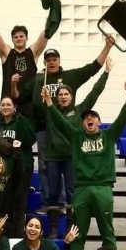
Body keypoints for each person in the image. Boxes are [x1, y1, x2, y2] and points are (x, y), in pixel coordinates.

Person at [16, 36, 114, 210]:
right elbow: (19, 98)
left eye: (54, 59)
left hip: (69, 139)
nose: (52, 62)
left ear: (59, 61)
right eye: (48, 60)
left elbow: (92, 69)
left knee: (69, 180)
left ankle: (69, 207)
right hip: (44, 130)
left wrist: (107, 48)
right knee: (46, 170)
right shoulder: (38, 80)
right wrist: (13, 84)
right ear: (45, 63)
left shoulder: (70, 78)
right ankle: (49, 204)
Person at [42, 83, 126, 250]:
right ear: (82, 123)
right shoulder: (76, 136)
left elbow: (123, 119)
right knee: (77, 232)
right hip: (81, 189)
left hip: (103, 188)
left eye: (93, 117)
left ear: (99, 122)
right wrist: (50, 104)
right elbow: (60, 123)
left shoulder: (108, 136)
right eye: (86, 118)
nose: (89, 119)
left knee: (107, 231)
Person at [44, 59, 112, 216]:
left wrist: (106, 73)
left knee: (70, 193)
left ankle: (71, 226)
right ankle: (53, 229)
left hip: (71, 157)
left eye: (66, 94)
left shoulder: (80, 110)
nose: (63, 96)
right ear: (56, 97)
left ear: (71, 96)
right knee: (52, 193)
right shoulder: (49, 109)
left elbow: (95, 92)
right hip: (53, 156)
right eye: (60, 94)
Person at [0, 96, 37, 234]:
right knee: (3, 205)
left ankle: (19, 236)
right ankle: (4, 233)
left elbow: (29, 140)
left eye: (9, 104)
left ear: (15, 107)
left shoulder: (22, 121)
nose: (5, 107)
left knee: (18, 204)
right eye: (3, 105)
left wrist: (19, 121)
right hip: (2, 172)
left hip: (20, 169)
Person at [0, 0, 51, 103]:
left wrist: (52, 11)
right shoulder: (6, 53)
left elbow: (47, 32)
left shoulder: (33, 53)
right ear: (12, 39)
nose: (19, 39)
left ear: (26, 38)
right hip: (8, 102)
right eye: (16, 37)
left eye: (21, 36)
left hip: (29, 102)